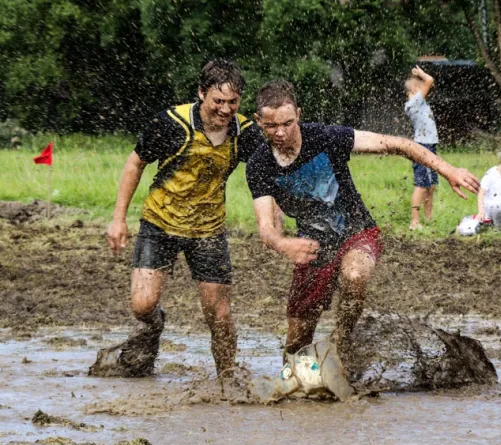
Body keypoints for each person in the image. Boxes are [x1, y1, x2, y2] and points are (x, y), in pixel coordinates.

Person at [246, 79, 478, 364]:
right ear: (258, 121)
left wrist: (449, 170)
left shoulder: (326, 137)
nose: (281, 132)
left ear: (299, 115)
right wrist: (284, 245)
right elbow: (266, 230)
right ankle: (295, 381)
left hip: (357, 231)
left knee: (355, 275)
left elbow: (399, 144)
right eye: (271, 126)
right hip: (312, 246)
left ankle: (343, 339)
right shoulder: (259, 164)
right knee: (296, 342)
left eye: (288, 123)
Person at [89, 60, 264, 378]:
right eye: (218, 101)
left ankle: (228, 377)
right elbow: (134, 164)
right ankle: (155, 325)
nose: (225, 110)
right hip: (159, 224)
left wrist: (273, 218)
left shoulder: (245, 133)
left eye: (233, 102)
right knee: (142, 306)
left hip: (208, 230)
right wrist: (118, 218)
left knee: (220, 314)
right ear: (201, 94)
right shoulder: (171, 123)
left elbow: (267, 176)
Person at [404, 65, 440, 230]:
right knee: (421, 185)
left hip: (430, 145)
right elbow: (430, 80)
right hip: (423, 146)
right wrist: (421, 74)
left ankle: (428, 217)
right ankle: (415, 221)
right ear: (417, 89)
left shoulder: (417, 103)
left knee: (431, 185)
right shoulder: (415, 102)